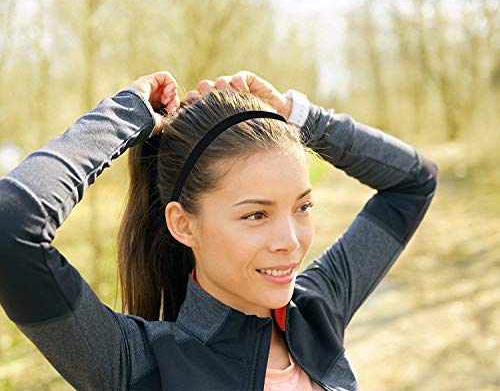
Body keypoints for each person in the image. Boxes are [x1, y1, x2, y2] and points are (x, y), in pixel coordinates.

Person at [0, 70, 439, 390]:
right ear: (183, 224)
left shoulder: (317, 312)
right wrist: (125, 117)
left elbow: (413, 182)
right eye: (256, 215)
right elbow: (11, 225)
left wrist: (296, 116)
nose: (290, 241)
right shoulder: (140, 365)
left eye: (302, 206)